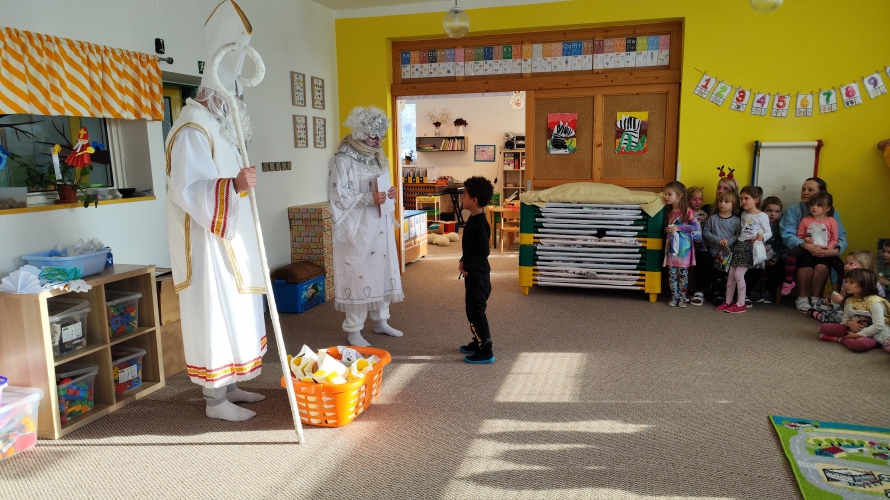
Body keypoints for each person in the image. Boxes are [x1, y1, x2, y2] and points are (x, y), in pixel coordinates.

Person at [166, 1, 267, 422]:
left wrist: (237, 185)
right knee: (216, 313)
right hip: (208, 246)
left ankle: (231, 384)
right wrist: (234, 186)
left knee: (238, 311)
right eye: (232, 96)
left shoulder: (219, 129)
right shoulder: (192, 128)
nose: (236, 102)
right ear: (214, 94)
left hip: (230, 239)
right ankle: (214, 401)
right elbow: (187, 189)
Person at [329, 106, 404, 347]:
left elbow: (383, 184)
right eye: (373, 136)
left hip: (380, 223)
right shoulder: (343, 159)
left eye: (381, 136)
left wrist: (390, 193)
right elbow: (338, 194)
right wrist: (368, 198)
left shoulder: (378, 156)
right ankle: (354, 329)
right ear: (361, 132)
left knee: (381, 269)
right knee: (358, 272)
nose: (378, 141)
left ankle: (381, 320)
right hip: (358, 227)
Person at [779, 178, 848, 312]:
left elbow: (841, 236)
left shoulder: (833, 214)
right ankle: (802, 297)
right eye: (803, 189)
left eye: (810, 190)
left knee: (822, 266)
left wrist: (834, 250)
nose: (805, 192)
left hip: (824, 250)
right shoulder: (794, 210)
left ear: (822, 192)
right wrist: (805, 244)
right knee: (806, 263)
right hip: (802, 249)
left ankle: (817, 298)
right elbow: (787, 234)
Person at [458, 176, 495, 364]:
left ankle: (486, 350)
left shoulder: (480, 223)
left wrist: (469, 266)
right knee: (471, 310)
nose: (461, 198)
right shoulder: (472, 219)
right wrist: (463, 260)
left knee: (476, 312)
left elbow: (483, 251)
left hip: (479, 276)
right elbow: (470, 248)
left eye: (464, 195)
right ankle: (478, 341)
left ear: (474, 200)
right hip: (472, 274)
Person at [716, 186, 770, 314]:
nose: (743, 201)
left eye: (747, 198)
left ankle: (741, 304)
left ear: (756, 200)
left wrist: (761, 237)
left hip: (750, 247)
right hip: (739, 246)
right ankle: (728, 301)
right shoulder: (744, 214)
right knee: (731, 274)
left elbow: (768, 232)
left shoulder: (762, 215)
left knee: (738, 274)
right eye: (741, 199)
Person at [819, 269, 890, 353]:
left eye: (851, 282)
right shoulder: (849, 300)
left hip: (875, 334)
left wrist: (857, 335)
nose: (846, 284)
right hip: (853, 329)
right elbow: (845, 318)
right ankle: (848, 338)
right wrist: (849, 323)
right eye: (846, 281)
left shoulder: (875, 302)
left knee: (860, 344)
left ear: (865, 284)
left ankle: (841, 339)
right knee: (824, 328)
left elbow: (878, 326)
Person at [808, 250, 884, 323]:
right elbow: (842, 295)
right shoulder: (846, 279)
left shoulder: (873, 283)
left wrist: (842, 302)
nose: (846, 266)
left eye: (851, 264)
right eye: (846, 263)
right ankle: (828, 315)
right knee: (821, 303)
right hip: (846, 306)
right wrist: (833, 300)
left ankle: (822, 316)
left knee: (840, 315)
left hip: (863, 312)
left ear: (865, 267)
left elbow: (878, 305)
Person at [795, 191, 845, 286]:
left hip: (824, 252)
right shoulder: (805, 220)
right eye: (812, 205)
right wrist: (806, 240)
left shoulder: (832, 221)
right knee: (802, 264)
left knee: (835, 266)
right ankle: (799, 292)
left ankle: (839, 288)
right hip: (808, 251)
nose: (814, 207)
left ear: (828, 208)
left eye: (819, 205)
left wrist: (828, 248)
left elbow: (834, 239)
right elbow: (800, 236)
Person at [701, 189, 740, 306]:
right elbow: (706, 232)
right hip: (714, 251)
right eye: (720, 201)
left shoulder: (737, 221)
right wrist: (718, 240)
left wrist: (728, 241)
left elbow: (738, 235)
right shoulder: (712, 218)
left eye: (726, 201)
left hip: (729, 254)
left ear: (734, 204)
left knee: (727, 276)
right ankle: (717, 295)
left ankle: (728, 296)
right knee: (716, 275)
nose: (722, 204)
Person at [662, 181, 699, 307]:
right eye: (665, 194)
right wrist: (667, 229)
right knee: (672, 274)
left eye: (669, 194)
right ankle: (674, 297)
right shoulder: (668, 211)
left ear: (679, 195)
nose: (666, 197)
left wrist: (678, 227)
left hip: (684, 249)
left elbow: (695, 226)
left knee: (683, 274)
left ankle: (682, 298)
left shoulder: (687, 211)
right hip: (671, 248)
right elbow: (665, 227)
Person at [745, 196, 785, 304]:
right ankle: (749, 290)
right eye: (769, 210)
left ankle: (768, 290)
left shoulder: (780, 227)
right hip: (756, 255)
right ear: (762, 211)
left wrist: (775, 258)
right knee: (755, 270)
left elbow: (779, 245)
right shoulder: (757, 224)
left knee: (780, 271)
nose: (773, 214)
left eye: (776, 211)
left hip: (771, 257)